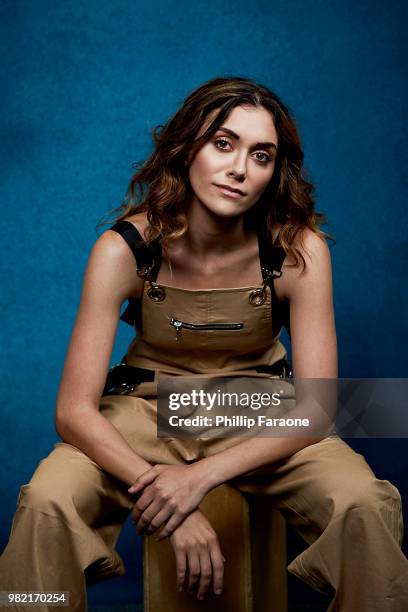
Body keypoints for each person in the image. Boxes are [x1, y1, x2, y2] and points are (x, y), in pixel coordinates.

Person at [1, 76, 407, 612]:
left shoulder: (297, 251)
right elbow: (73, 411)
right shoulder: (123, 249)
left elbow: (317, 409)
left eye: (261, 155)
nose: (239, 168)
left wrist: (198, 479)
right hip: (145, 411)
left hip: (259, 408)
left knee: (364, 506)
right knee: (46, 503)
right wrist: (162, 490)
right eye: (223, 143)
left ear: (273, 172)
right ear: (186, 147)